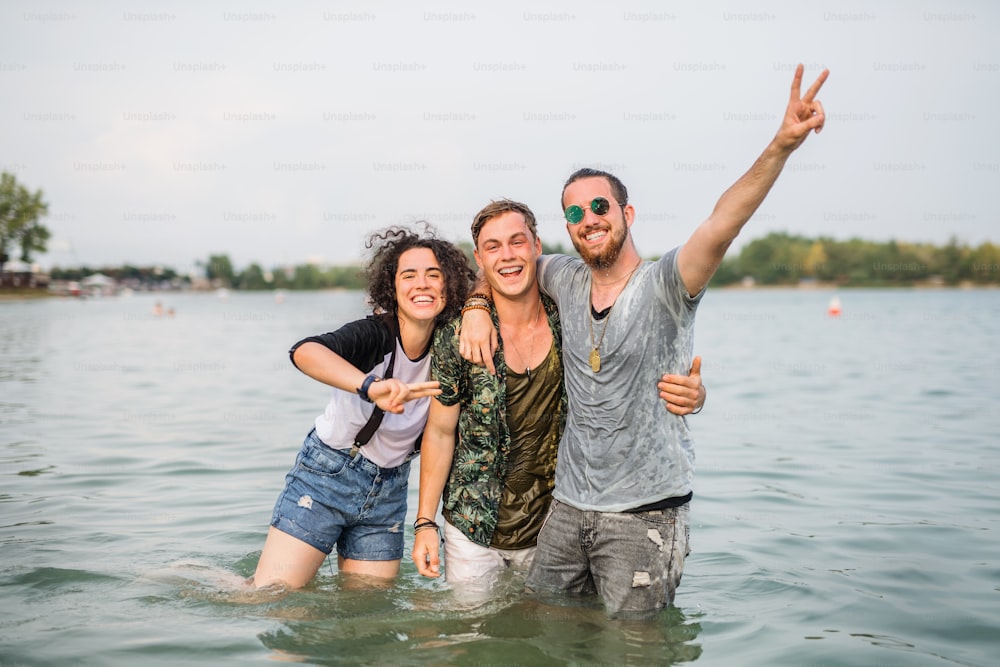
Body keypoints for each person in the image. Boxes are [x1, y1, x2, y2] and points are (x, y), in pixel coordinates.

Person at [459, 65, 829, 617]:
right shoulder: (561, 274)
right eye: (575, 213)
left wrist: (780, 145)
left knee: (635, 650)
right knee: (548, 640)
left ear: (626, 214)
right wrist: (473, 308)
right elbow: (501, 261)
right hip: (566, 511)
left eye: (600, 207)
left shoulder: (667, 283)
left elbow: (722, 222)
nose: (588, 220)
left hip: (646, 515)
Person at [410, 199, 706, 593]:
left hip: (554, 527)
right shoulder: (458, 335)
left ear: (536, 245)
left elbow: (633, 372)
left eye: (517, 242)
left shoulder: (572, 316)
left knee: (551, 642)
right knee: (472, 643)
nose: (507, 255)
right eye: (493, 247)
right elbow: (441, 432)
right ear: (478, 258)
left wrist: (694, 394)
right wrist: (425, 523)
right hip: (472, 525)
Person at [252, 225, 475, 589]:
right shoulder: (376, 335)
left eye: (434, 275)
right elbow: (305, 352)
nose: (422, 284)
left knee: (366, 616)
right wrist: (369, 387)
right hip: (328, 475)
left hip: (389, 493)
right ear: (393, 287)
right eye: (409, 275)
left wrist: (425, 522)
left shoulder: (451, 344)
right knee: (271, 597)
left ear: (449, 286)